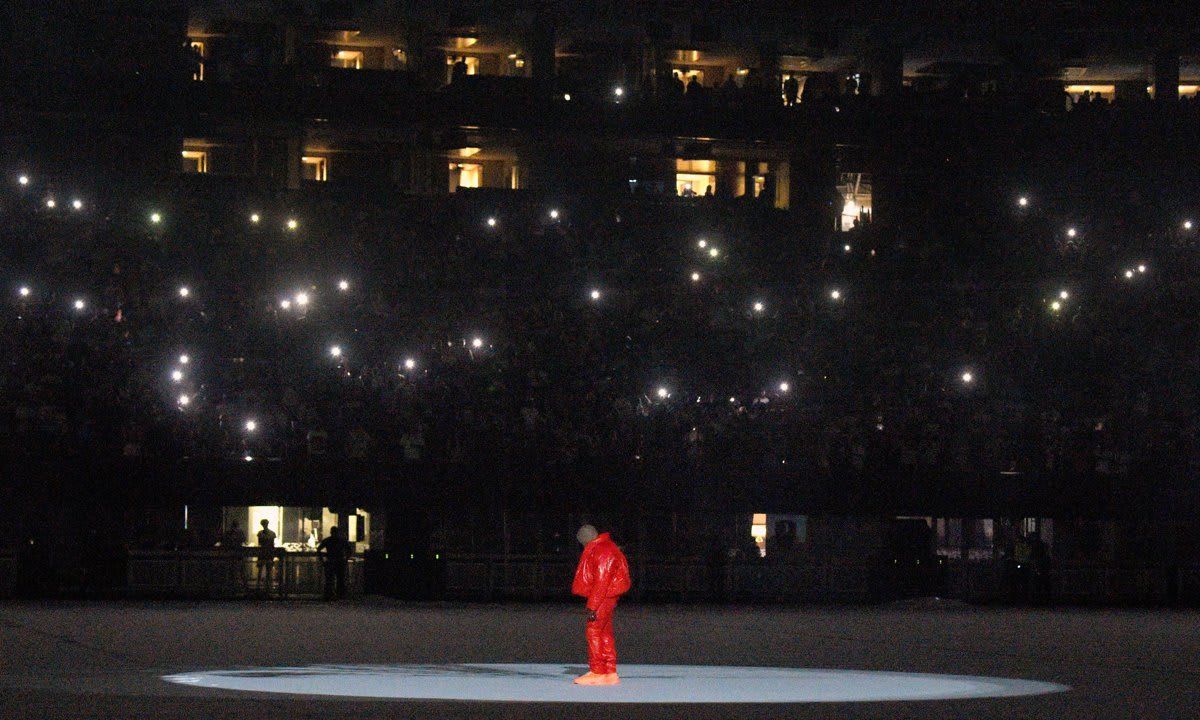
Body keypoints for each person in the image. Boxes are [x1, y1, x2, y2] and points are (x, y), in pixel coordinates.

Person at [570, 524, 631, 686]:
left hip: (604, 596)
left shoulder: (602, 550)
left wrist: (592, 606)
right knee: (604, 631)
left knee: (594, 630)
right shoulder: (605, 547)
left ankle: (597, 671)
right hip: (607, 595)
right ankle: (609, 671)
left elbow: (601, 582)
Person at [317, 525, 352, 600]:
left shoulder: (327, 540)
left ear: (331, 532)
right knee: (340, 579)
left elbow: (319, 549)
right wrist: (346, 559)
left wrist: (322, 561)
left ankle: (329, 595)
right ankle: (340, 595)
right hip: (340, 562)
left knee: (329, 580)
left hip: (330, 561)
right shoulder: (342, 540)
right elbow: (349, 550)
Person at [256, 519, 277, 591]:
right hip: (269, 554)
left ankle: (258, 586)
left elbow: (259, 544)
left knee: (260, 570)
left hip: (262, 554)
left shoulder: (260, 533)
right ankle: (268, 587)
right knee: (268, 570)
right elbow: (272, 544)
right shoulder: (272, 533)